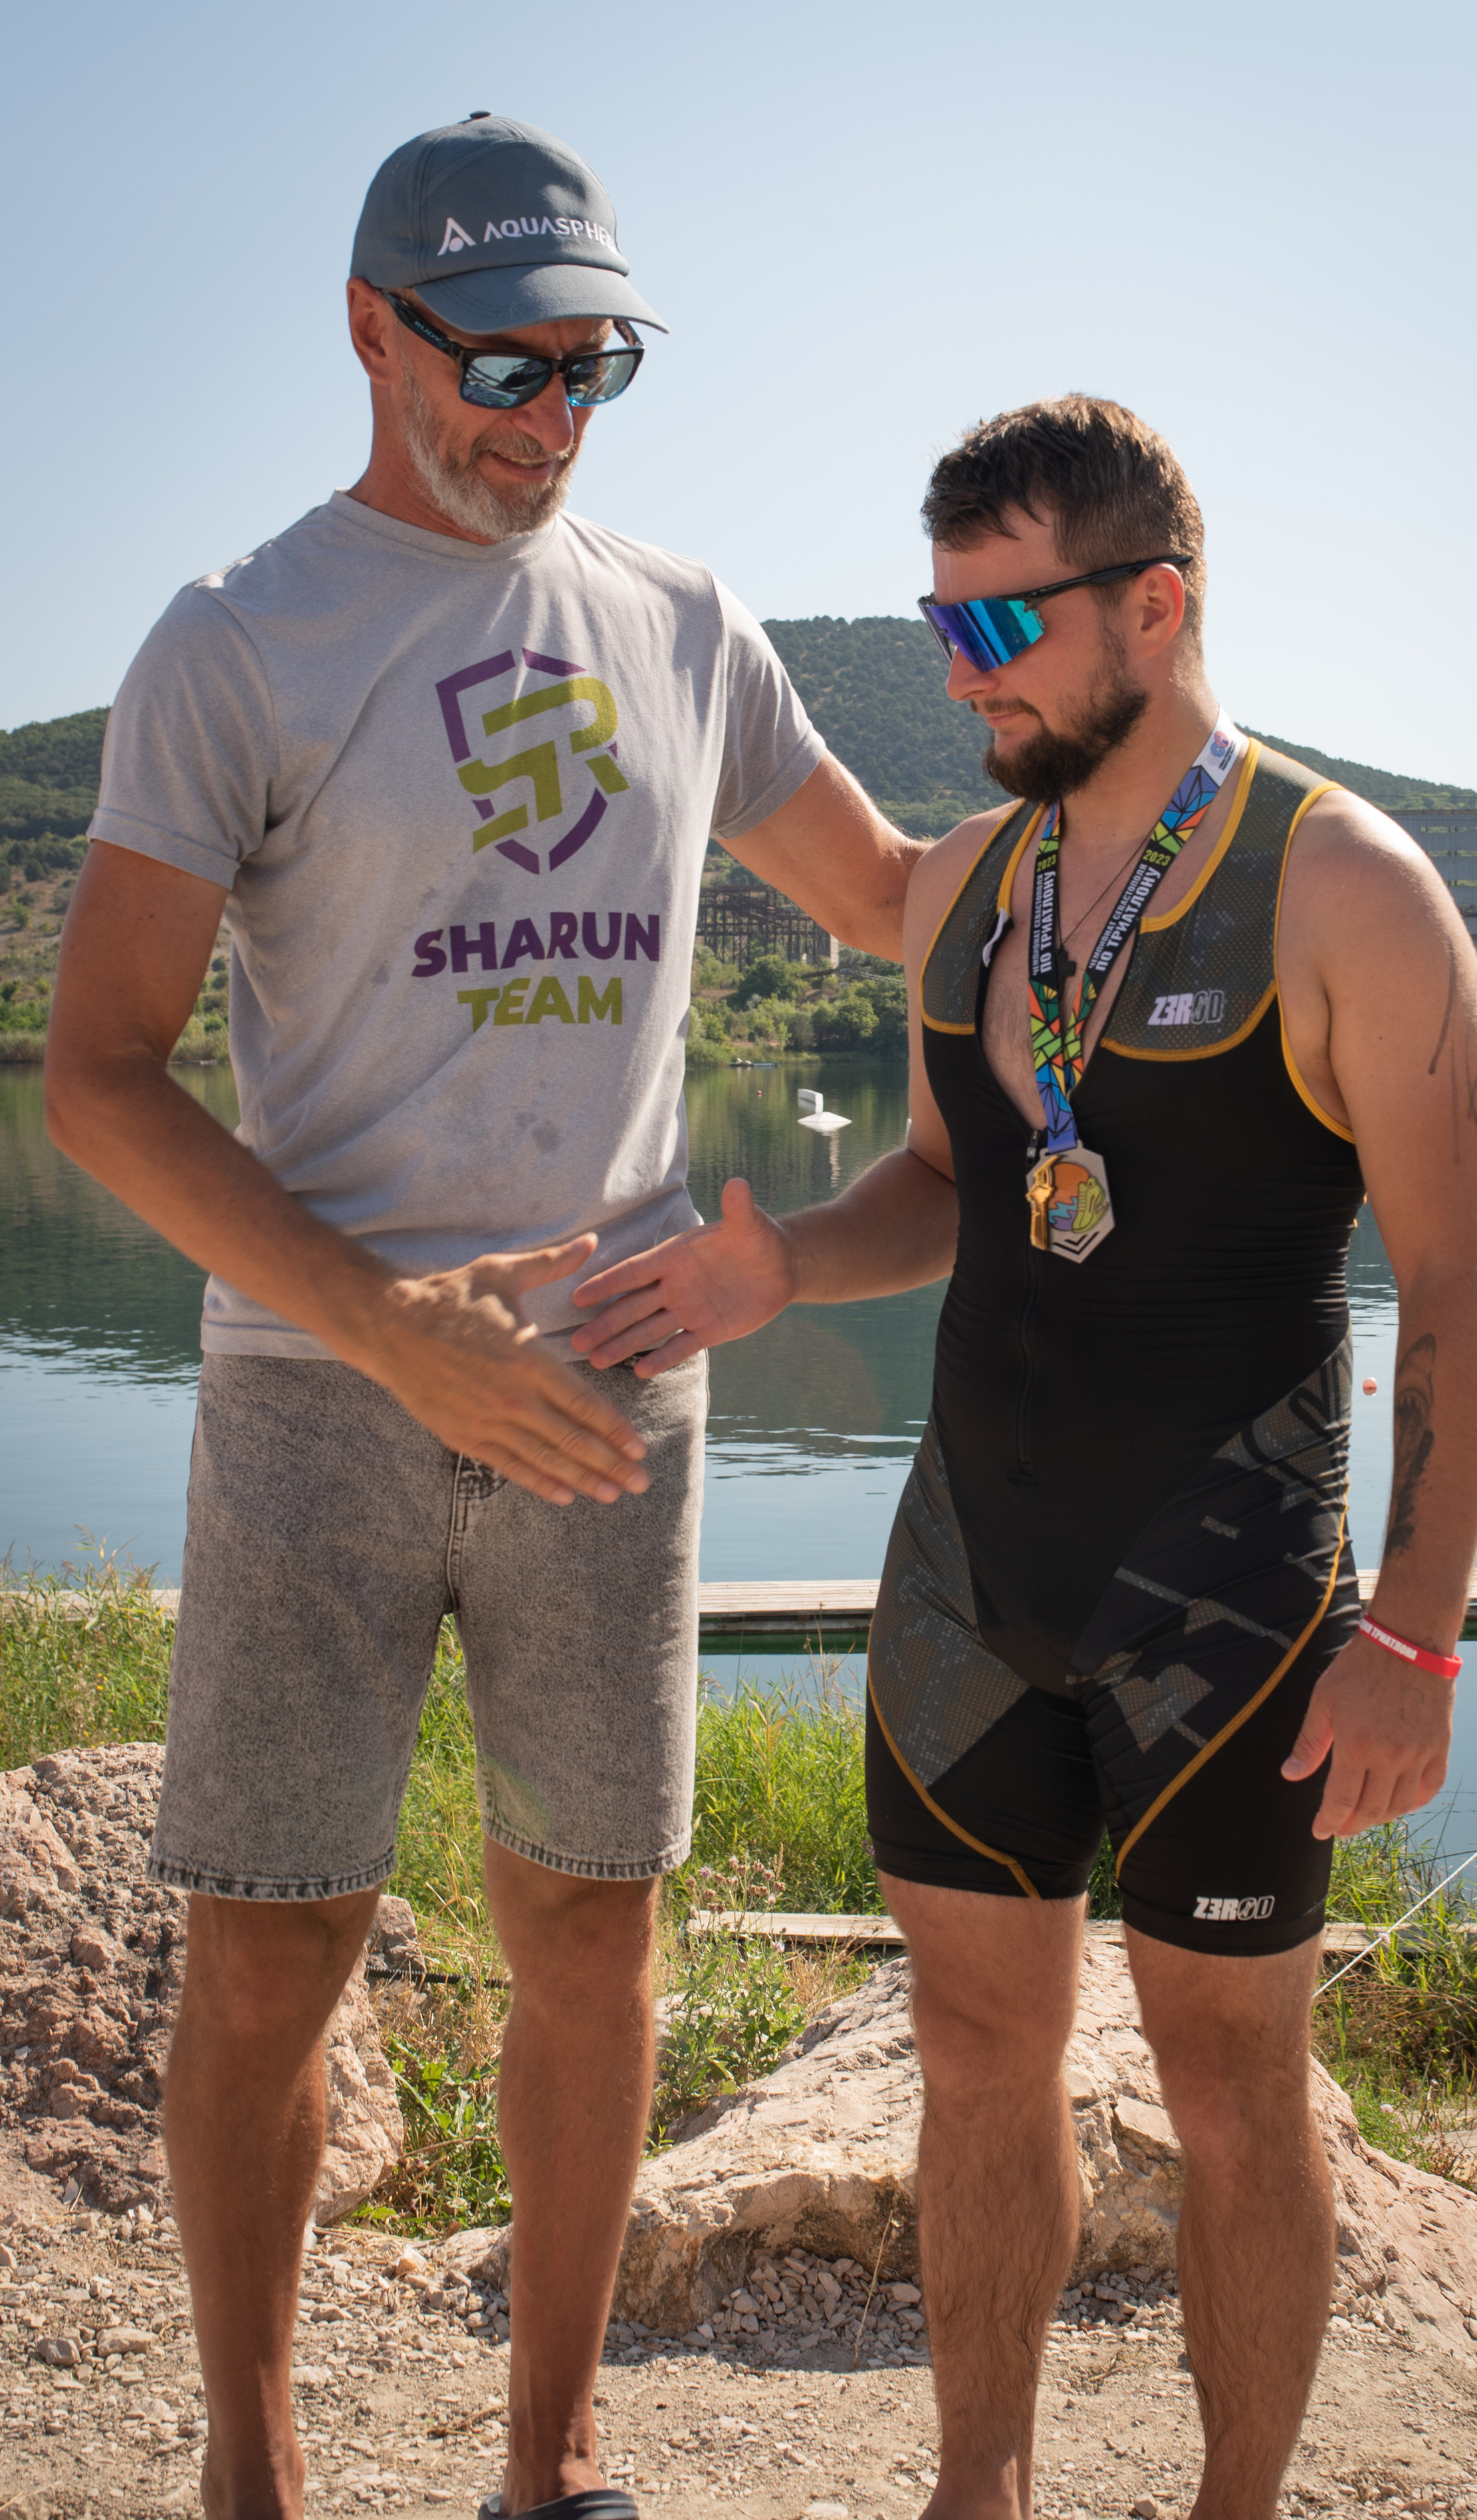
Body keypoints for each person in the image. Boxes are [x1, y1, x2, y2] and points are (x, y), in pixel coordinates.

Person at [45, 114, 919, 2520]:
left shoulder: (685, 623)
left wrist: (1187, 806)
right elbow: (97, 1073)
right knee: (270, 1953)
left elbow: (892, 895)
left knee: (594, 1937)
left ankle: (551, 2466)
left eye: (594, 368)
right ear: (372, 329)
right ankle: (251, 2472)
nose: (550, 417)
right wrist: (384, 1322)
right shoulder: (234, 638)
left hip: (615, 1390)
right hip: (311, 1395)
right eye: (507, 365)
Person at [572, 396, 1477, 2520]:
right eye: (942, 625)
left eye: (1002, 624)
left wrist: (1421, 1634)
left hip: (1234, 1611)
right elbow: (943, 1183)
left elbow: (1462, 1296)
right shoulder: (970, 891)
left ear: (1154, 608)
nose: (962, 671)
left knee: (1235, 2093)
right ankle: (976, 2488)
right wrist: (787, 1265)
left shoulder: (1345, 888)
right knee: (973, 2061)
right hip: (971, 1588)